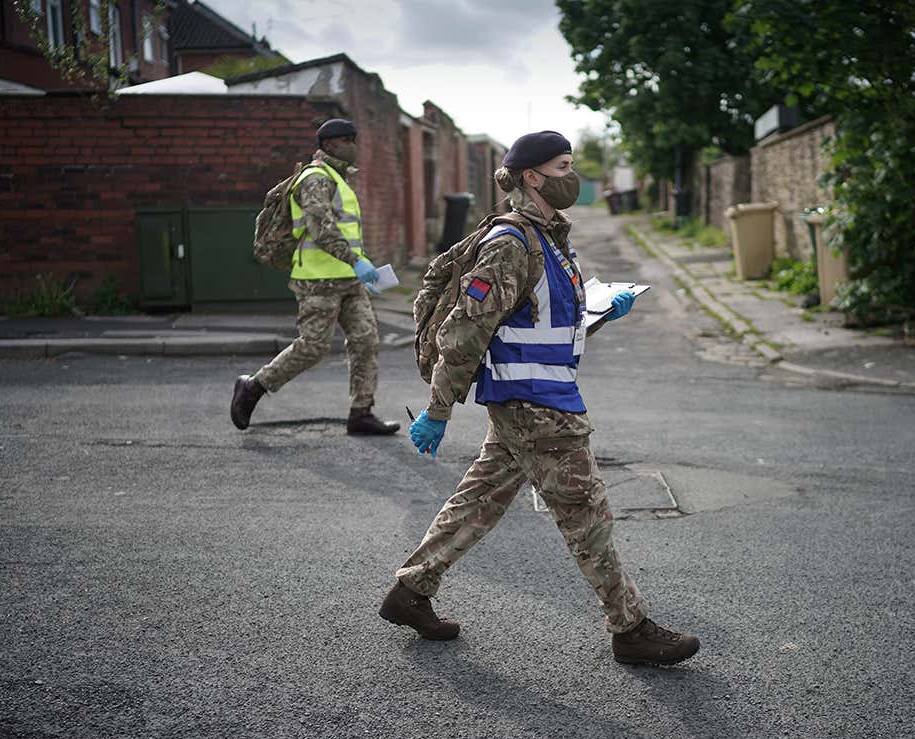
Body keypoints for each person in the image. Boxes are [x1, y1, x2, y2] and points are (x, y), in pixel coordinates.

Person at [378, 131, 700, 666]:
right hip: (536, 406)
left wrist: (597, 315)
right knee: (585, 512)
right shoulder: (510, 243)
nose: (573, 175)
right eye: (564, 165)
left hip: (535, 398)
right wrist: (438, 410)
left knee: (482, 497)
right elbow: (466, 331)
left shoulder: (547, 238)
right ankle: (631, 628)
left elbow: (541, 327)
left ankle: (411, 591)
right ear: (533, 175)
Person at [230, 118, 400, 436]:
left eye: (354, 139)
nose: (354, 145)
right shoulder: (315, 178)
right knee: (313, 346)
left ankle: (361, 413)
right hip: (318, 281)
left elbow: (344, 231)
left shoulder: (338, 178)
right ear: (330, 145)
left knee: (365, 341)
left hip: (349, 279)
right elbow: (320, 229)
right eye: (348, 140)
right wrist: (356, 261)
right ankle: (253, 386)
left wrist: (361, 268)